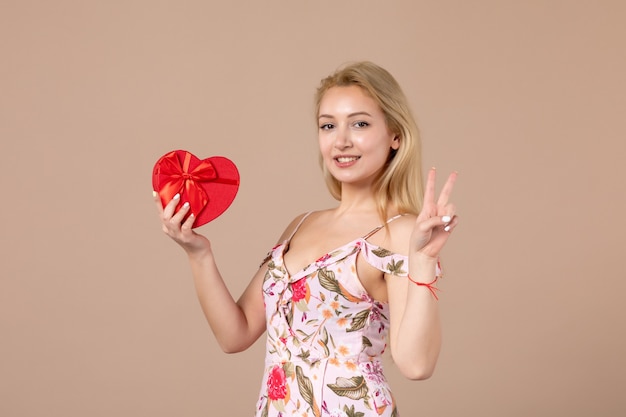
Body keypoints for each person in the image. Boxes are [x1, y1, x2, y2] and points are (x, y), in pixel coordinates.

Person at [153, 61, 458, 417]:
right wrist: (198, 254)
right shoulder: (301, 224)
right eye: (328, 125)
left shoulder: (402, 231)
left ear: (395, 135)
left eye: (360, 123)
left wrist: (422, 262)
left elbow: (416, 365)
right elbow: (235, 335)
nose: (341, 140)